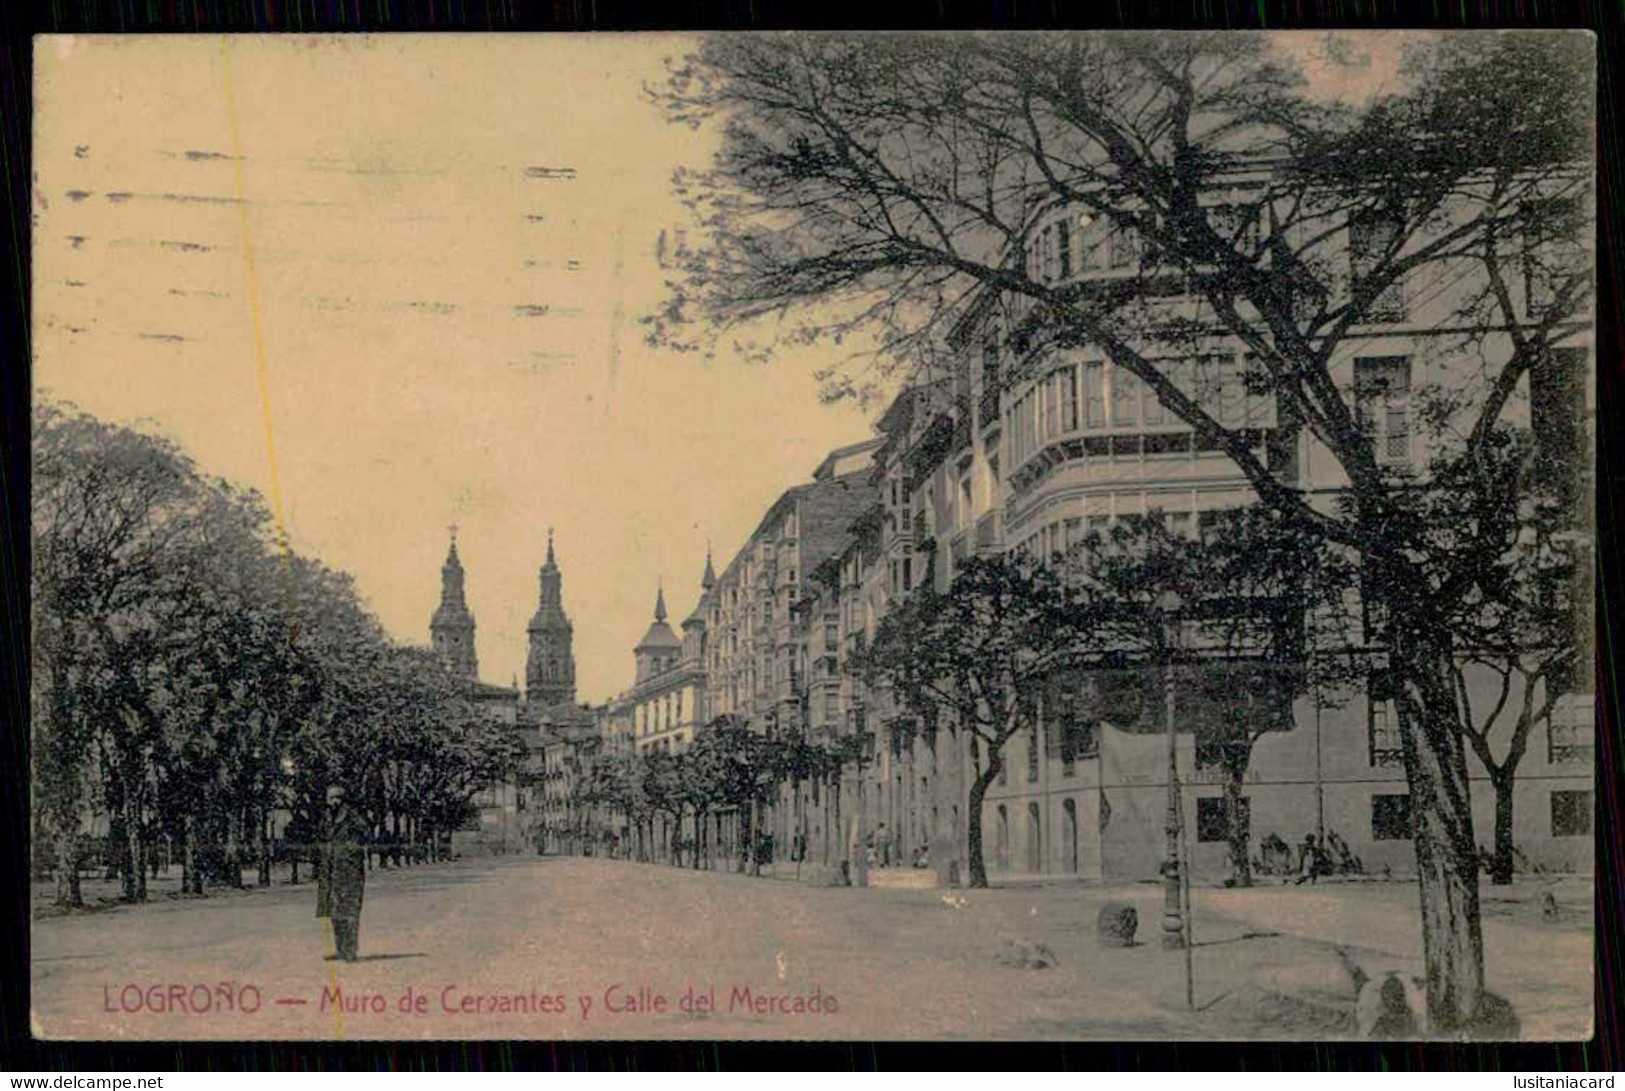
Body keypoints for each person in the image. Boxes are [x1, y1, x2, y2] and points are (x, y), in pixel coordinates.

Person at [317, 787, 367, 961]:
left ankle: (350, 950)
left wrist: (350, 851)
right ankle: (340, 949)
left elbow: (364, 833)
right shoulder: (326, 817)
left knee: (350, 912)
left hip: (349, 871)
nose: (335, 801)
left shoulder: (353, 816)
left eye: (338, 798)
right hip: (331, 871)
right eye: (331, 798)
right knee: (335, 912)